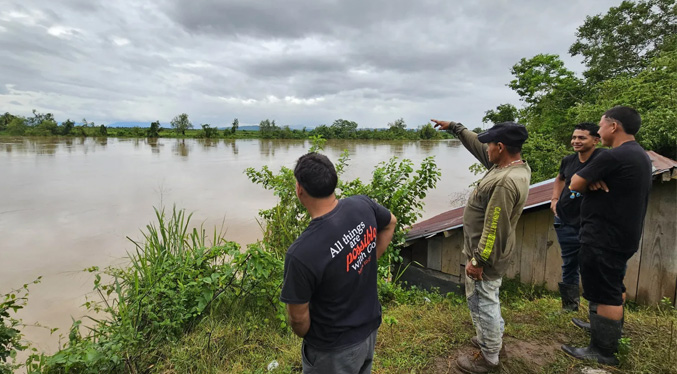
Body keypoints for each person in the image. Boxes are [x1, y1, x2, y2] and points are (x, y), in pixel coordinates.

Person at [280, 152, 397, 374]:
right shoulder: (361, 205)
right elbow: (390, 223)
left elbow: (299, 320)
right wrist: (366, 257)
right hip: (370, 329)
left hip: (332, 349)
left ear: (299, 189)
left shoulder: (301, 253)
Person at [432, 120, 531, 374]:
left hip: (486, 258)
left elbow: (495, 225)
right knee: (489, 298)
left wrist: (478, 261)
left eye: (490, 145)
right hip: (492, 254)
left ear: (500, 147)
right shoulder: (508, 166)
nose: (485, 149)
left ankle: (489, 358)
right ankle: (493, 340)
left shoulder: (505, 181)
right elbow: (477, 144)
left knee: (482, 302)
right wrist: (455, 127)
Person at [561, 106, 652, 366]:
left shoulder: (613, 157)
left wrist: (586, 181)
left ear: (614, 126)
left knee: (606, 291)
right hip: (622, 234)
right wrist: (592, 181)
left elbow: (575, 183)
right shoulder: (639, 155)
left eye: (601, 126)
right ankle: (600, 329)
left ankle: (602, 350)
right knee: (611, 285)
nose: (599, 131)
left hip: (604, 235)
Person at [550, 123, 605, 312]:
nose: (575, 141)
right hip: (565, 220)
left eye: (582, 138)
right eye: (574, 137)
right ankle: (569, 306)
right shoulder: (568, 160)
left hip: (591, 223)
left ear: (596, 140)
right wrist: (555, 199)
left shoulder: (603, 159)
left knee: (593, 267)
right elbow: (560, 179)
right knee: (569, 264)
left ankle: (596, 311)